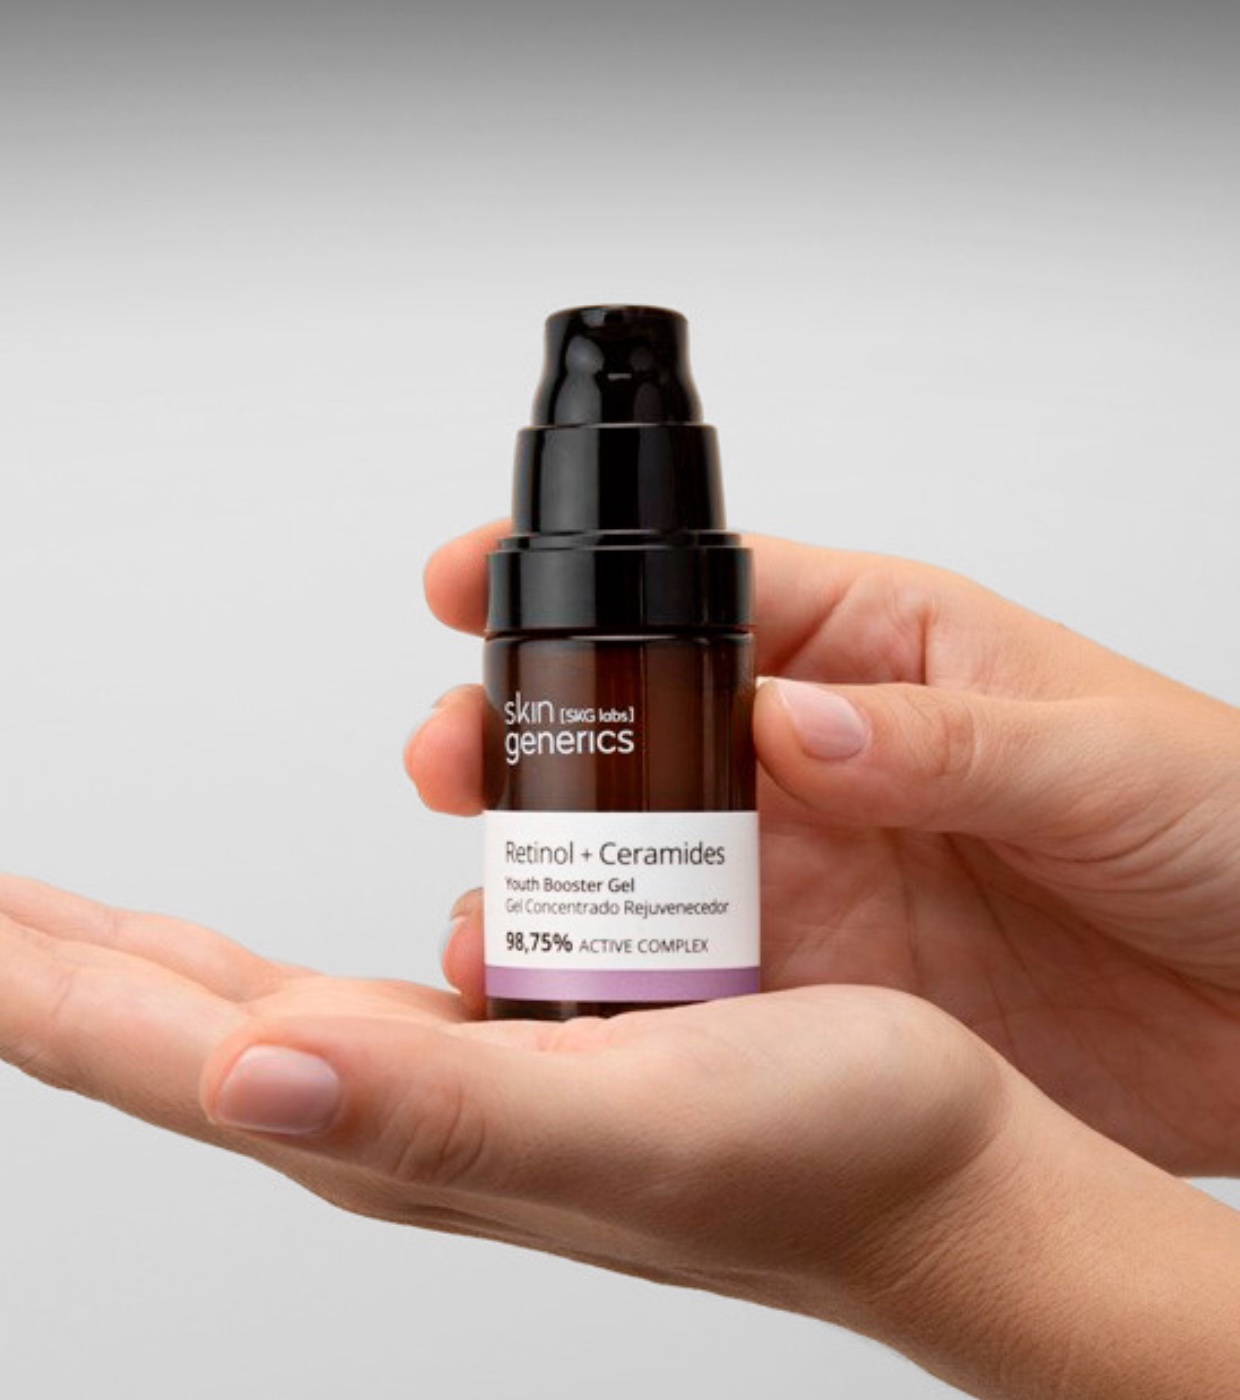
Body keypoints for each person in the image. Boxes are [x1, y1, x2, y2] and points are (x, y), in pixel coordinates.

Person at [3, 522, 1240, 1398]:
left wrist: (945, 1208)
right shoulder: (553, 653)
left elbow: (946, 1205)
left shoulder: (681, 644)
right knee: (488, 812)